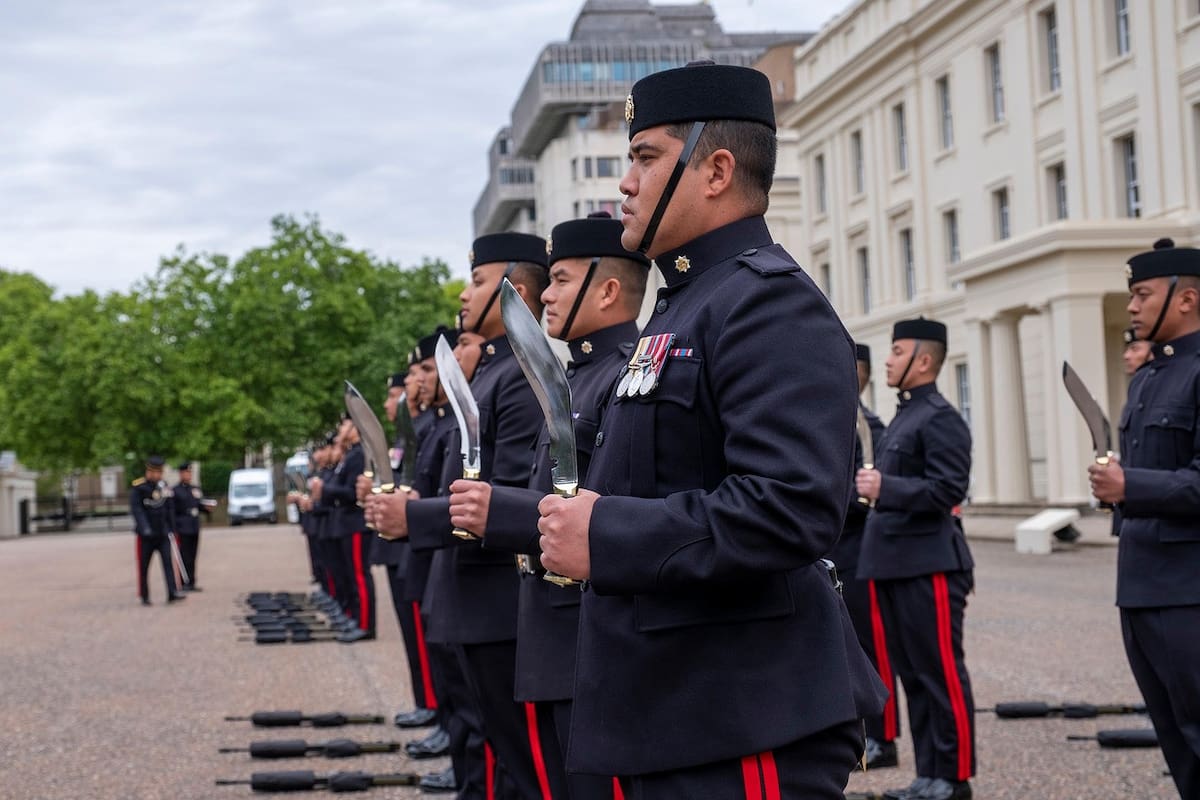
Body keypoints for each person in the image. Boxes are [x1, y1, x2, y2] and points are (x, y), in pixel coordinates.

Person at [535, 62, 885, 798]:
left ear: (717, 170)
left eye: (645, 157)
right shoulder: (688, 305)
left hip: (742, 718)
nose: (626, 183)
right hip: (674, 710)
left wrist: (605, 535)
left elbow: (791, 507)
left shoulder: (767, 302)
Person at [450, 212, 649, 800]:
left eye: (560, 280)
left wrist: (499, 512)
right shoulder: (577, 375)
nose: (546, 295)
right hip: (550, 631)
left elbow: (615, 507)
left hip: (585, 632)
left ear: (607, 290)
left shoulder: (627, 374)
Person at [369, 232, 552, 800]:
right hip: (466, 596)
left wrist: (414, 516)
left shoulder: (521, 377)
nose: (464, 295)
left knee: (518, 762)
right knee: (489, 747)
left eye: (477, 282)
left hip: (495, 600)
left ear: (516, 290)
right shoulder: (488, 378)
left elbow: (511, 498)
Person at [1090, 238, 1200, 800]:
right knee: (1176, 740)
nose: (1131, 307)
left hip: (1188, 591)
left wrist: (1130, 484)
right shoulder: (1150, 377)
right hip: (1140, 583)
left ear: (1187, 298)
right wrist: (1116, 490)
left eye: (1143, 295)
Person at [369, 324, 497, 798]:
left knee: (468, 692)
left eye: (424, 369)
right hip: (431, 559)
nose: (416, 380)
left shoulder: (449, 421)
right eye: (416, 372)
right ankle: (452, 744)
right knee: (448, 672)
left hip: (457, 560)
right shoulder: (431, 424)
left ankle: (462, 758)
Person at [856, 318, 975, 800]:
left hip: (929, 563)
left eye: (898, 351)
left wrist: (886, 487)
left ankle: (954, 776)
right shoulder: (905, 417)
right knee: (913, 676)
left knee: (940, 673)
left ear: (924, 361)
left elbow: (949, 489)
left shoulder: (940, 417)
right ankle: (929, 774)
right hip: (894, 562)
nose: (888, 360)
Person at [830, 343, 899, 770]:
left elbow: (864, 497)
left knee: (872, 648)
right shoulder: (835, 418)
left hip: (858, 550)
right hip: (834, 550)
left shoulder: (866, 426)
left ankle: (883, 737)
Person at [129, 455, 186, 606]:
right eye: (154, 472)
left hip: (162, 533)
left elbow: (169, 508)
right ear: (148, 471)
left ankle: (172, 592)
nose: (157, 475)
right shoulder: (139, 487)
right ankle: (144, 595)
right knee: (144, 566)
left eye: (159, 472)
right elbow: (137, 510)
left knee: (168, 564)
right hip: (146, 535)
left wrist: (172, 528)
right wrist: (145, 527)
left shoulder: (164, 486)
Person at [171, 461, 209, 592]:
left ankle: (192, 581)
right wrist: (174, 526)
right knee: (184, 555)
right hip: (182, 526)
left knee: (193, 555)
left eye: (190, 472)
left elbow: (199, 504)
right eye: (186, 472)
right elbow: (173, 510)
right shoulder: (175, 490)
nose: (189, 475)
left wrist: (206, 508)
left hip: (194, 525)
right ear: (181, 474)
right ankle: (183, 582)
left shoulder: (195, 489)